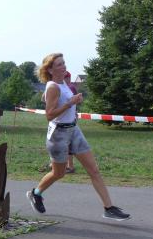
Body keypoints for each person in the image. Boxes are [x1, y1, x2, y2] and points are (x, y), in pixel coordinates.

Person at [26, 53, 130, 220]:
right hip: (58, 135)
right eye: (59, 64)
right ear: (50, 70)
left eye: (64, 63)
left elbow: (59, 103)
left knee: (94, 170)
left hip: (74, 130)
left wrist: (73, 105)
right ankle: (36, 193)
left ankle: (109, 208)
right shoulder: (53, 87)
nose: (64, 66)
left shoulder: (63, 83)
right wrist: (70, 103)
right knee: (58, 173)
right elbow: (49, 115)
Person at [63, 71, 77, 173]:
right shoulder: (65, 87)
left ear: (67, 78)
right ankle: (63, 165)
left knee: (68, 143)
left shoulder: (70, 88)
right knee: (64, 143)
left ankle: (70, 166)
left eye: (64, 78)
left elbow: (69, 103)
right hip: (66, 119)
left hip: (69, 120)